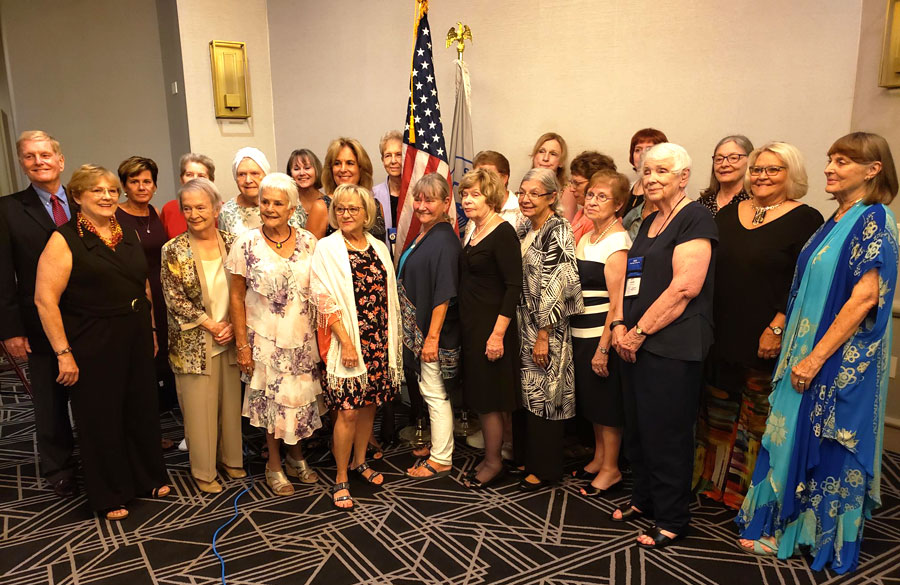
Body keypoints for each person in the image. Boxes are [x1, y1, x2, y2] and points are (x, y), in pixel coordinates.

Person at [737, 133, 899, 574]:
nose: (830, 167)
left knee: (825, 443)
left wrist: (814, 358)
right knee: (791, 433)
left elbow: (865, 298)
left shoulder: (875, 219)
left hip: (836, 360)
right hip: (805, 350)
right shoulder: (835, 219)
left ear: (873, 169)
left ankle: (812, 532)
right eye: (830, 159)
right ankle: (788, 525)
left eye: (842, 161)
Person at [34, 164, 170, 520]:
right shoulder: (63, 239)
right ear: (78, 196)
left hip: (136, 331)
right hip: (93, 338)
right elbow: (45, 300)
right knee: (101, 416)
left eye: (111, 190)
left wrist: (152, 329)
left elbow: (142, 285)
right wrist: (63, 353)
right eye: (97, 190)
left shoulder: (127, 231)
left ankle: (146, 477)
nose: (108, 196)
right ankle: (109, 493)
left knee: (140, 408)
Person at [694, 142, 822, 509]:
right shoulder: (728, 213)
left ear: (791, 175)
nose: (762, 176)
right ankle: (711, 483)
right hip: (720, 329)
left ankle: (745, 492)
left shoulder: (806, 218)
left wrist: (779, 326)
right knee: (716, 410)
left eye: (773, 170)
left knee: (756, 417)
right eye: (758, 169)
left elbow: (803, 281)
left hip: (766, 332)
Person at [611, 143, 717, 549]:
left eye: (661, 172)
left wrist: (638, 332)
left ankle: (673, 516)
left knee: (667, 435)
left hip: (672, 347)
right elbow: (629, 278)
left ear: (683, 177)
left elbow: (685, 288)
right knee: (637, 431)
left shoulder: (695, 218)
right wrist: (620, 324)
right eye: (647, 171)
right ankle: (645, 500)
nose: (651, 179)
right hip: (636, 342)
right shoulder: (651, 220)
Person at [226, 173, 323, 496]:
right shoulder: (246, 244)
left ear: (292, 207)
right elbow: (236, 297)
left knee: (297, 400)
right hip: (265, 340)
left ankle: (296, 456)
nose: (269, 208)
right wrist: (241, 345)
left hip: (302, 336)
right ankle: (274, 465)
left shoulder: (310, 241)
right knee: (272, 404)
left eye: (277, 203)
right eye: (264, 202)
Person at [310, 184, 401, 510]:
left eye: (353, 209)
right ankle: (340, 477)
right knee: (347, 411)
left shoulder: (378, 246)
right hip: (346, 342)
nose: (345, 214)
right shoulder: (327, 248)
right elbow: (322, 299)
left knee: (368, 406)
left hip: (378, 341)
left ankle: (360, 462)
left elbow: (388, 295)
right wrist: (346, 342)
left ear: (366, 213)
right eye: (340, 209)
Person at [0, 131, 78, 499]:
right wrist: (10, 329)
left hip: (87, 317)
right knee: (50, 400)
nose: (39, 161)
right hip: (37, 321)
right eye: (30, 156)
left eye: (46, 154)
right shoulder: (8, 209)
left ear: (61, 161)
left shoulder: (85, 202)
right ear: (22, 164)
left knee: (95, 394)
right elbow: (3, 274)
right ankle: (59, 467)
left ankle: (99, 456)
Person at [161, 178, 245, 494]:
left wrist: (234, 327)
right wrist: (212, 325)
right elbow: (174, 298)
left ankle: (231, 459)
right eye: (188, 208)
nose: (194, 214)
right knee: (199, 411)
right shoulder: (174, 249)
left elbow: (244, 290)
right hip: (194, 342)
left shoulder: (234, 242)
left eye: (201, 207)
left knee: (229, 405)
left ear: (216, 208)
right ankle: (203, 471)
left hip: (231, 337)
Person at [514, 167, 583, 491]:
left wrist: (544, 334)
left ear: (552, 197)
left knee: (547, 395)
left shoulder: (559, 229)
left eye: (534, 193)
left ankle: (547, 468)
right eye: (522, 192)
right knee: (530, 394)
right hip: (523, 322)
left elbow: (560, 283)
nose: (526, 199)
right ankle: (531, 457)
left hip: (547, 327)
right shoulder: (525, 226)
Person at [458, 168, 523, 488]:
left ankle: (493, 461)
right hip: (474, 326)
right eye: (464, 194)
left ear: (491, 197)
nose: (467, 200)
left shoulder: (503, 232)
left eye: (475, 195)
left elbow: (513, 287)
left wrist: (497, 335)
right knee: (486, 395)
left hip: (492, 330)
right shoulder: (473, 229)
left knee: (489, 399)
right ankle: (501, 453)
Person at [571, 170, 631, 497]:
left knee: (607, 406)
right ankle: (598, 458)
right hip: (580, 333)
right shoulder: (587, 237)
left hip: (600, 336)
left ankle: (612, 468)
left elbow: (617, 304)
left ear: (619, 204)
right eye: (591, 195)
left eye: (602, 197)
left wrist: (603, 348)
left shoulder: (618, 242)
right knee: (593, 402)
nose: (593, 201)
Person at [397, 174, 461, 479]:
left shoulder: (445, 241)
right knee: (428, 390)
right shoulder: (425, 232)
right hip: (421, 329)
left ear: (446, 202)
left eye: (430, 200)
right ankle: (438, 443)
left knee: (435, 393)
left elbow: (444, 294)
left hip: (434, 333)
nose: (422, 206)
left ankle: (441, 458)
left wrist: (432, 338)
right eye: (418, 199)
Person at [115, 156, 178, 443]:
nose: (141, 187)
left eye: (147, 181)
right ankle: (141, 437)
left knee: (161, 364)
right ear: (124, 186)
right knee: (141, 368)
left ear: (154, 185)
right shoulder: (115, 216)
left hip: (164, 296)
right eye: (134, 181)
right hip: (136, 298)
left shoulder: (154, 211)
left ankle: (156, 431)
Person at [219, 147, 306, 237]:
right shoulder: (227, 212)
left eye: (254, 173)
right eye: (242, 174)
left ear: (266, 174)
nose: (248, 180)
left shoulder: (290, 201)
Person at [322, 137, 387, 243]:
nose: (343, 169)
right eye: (337, 163)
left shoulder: (375, 205)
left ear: (361, 168)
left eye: (350, 163)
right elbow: (311, 254)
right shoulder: (321, 207)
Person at [462, 150, 527, 243]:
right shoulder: (475, 211)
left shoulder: (521, 212)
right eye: (478, 175)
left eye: (487, 175)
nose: (480, 181)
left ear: (504, 178)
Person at [563, 151, 617, 243]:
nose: (572, 189)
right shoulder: (582, 212)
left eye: (577, 183)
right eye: (571, 182)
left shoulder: (598, 220)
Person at [159, 153, 216, 239]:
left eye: (201, 176)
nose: (195, 179)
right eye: (189, 175)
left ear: (211, 181)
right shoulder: (169, 209)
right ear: (181, 179)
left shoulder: (220, 209)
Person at [697, 135, 754, 215]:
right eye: (719, 159)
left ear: (750, 161)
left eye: (733, 158)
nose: (724, 164)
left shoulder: (755, 201)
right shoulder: (703, 203)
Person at [622, 128, 668, 218]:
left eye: (649, 149)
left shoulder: (666, 187)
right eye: (637, 150)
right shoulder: (630, 186)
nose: (642, 154)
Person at [286, 148, 328, 239]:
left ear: (316, 170)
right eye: (296, 169)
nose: (302, 173)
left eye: (307, 168)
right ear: (290, 173)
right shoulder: (286, 203)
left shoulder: (327, 203)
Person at [530, 132, 569, 217]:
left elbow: (568, 227)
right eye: (541, 151)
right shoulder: (525, 187)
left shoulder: (567, 191)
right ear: (534, 156)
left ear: (561, 162)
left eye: (553, 154)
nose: (545, 158)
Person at [372, 130, 403, 232]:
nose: (393, 161)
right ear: (382, 160)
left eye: (399, 154)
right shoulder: (373, 195)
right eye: (388, 155)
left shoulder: (417, 194)